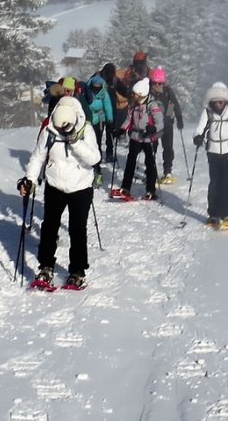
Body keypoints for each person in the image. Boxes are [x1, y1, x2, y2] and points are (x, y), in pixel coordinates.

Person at [17, 96, 100, 290]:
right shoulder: (49, 130)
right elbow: (38, 156)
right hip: (55, 185)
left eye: (65, 127)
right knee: (49, 228)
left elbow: (94, 159)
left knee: (77, 229)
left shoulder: (86, 130)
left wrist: (74, 140)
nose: (61, 130)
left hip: (80, 187)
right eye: (59, 127)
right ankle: (45, 268)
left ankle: (77, 271)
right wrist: (29, 179)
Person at [192, 82, 228, 230]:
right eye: (215, 101)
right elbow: (199, 128)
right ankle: (213, 214)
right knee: (214, 182)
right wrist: (197, 137)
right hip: (213, 151)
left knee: (227, 181)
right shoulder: (207, 111)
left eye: (221, 101)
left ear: (225, 99)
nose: (218, 104)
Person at [115, 78, 164, 201]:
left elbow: (160, 122)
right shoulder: (134, 105)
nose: (134, 96)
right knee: (130, 163)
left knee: (150, 164)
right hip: (135, 137)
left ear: (141, 94)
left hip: (148, 138)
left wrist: (153, 128)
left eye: (136, 94)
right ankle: (125, 188)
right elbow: (128, 120)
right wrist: (121, 129)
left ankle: (151, 190)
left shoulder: (151, 105)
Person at [149, 68, 184, 184]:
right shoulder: (148, 92)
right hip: (152, 124)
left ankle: (167, 171)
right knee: (151, 148)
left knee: (168, 147)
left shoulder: (168, 91)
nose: (157, 85)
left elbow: (174, 104)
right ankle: (150, 171)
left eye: (160, 83)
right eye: (155, 83)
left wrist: (178, 118)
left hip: (166, 123)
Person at [87, 74, 113, 184]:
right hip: (88, 120)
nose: (96, 89)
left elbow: (107, 106)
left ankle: (97, 168)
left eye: (98, 87)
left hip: (99, 121)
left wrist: (110, 119)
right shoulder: (87, 91)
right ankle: (88, 166)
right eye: (95, 87)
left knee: (97, 143)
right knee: (88, 144)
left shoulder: (104, 93)